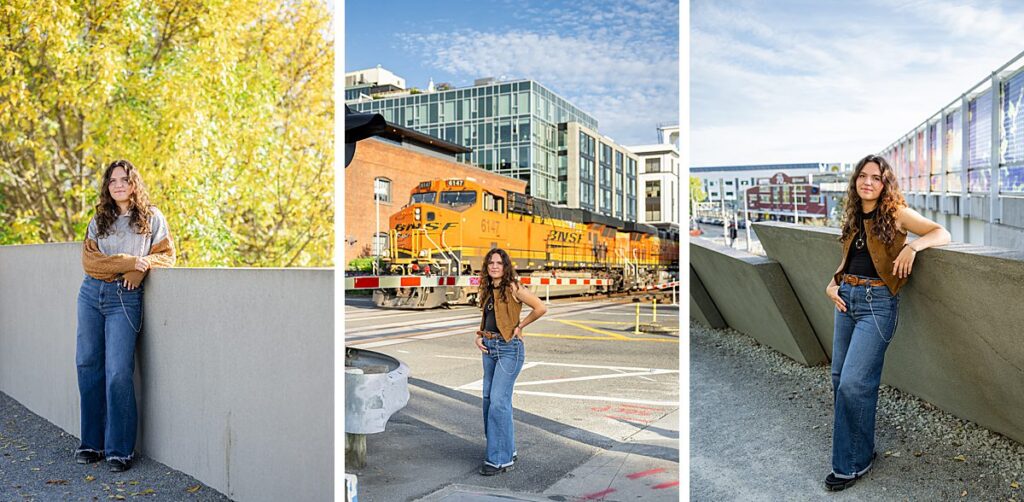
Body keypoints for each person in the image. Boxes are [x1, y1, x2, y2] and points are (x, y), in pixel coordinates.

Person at [822, 154, 949, 491]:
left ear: (884, 183)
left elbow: (942, 232)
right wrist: (833, 283)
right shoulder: (852, 216)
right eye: (862, 176)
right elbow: (847, 259)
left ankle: (849, 466)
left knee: (854, 383)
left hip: (877, 305)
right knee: (839, 380)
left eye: (875, 178)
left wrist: (914, 248)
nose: (867, 182)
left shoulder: (896, 214)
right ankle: (860, 454)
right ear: (855, 182)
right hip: (846, 298)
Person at [76, 159, 176, 472]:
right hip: (91, 295)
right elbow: (91, 264)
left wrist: (143, 268)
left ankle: (119, 450)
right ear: (107, 186)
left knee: (118, 371)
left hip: (124, 299)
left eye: (125, 179)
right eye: (113, 180)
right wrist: (134, 262)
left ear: (134, 184)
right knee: (88, 365)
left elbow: (167, 256)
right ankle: (92, 444)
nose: (118, 185)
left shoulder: (150, 217)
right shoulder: (99, 219)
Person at [473, 248, 547, 475]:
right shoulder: (487, 288)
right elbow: (489, 318)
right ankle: (507, 448)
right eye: (491, 263)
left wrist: (520, 326)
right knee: (490, 400)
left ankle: (499, 460)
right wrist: (479, 335)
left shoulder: (513, 287)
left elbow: (540, 308)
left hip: (509, 349)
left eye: (499, 263)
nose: (494, 266)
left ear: (505, 266)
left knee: (498, 401)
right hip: (489, 347)